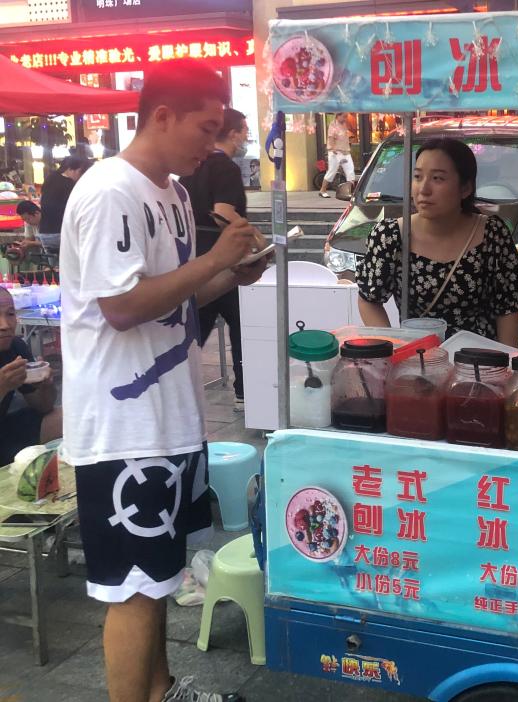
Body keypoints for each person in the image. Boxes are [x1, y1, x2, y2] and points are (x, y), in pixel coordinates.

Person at [60, 58, 267, 702]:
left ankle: (161, 690)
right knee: (132, 588)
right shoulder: (109, 191)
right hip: (123, 426)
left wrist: (231, 274)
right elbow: (121, 307)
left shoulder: (173, 194)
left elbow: (176, 303)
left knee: (157, 579)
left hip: (169, 417)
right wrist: (213, 259)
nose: (213, 144)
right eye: (205, 128)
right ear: (162, 116)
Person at [356, 137, 518, 347]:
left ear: (465, 188)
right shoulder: (390, 236)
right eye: (417, 177)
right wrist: (394, 347)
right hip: (419, 358)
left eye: (437, 178)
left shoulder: (492, 235)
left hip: (480, 360)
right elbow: (369, 300)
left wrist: (508, 359)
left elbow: (507, 310)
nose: (423, 189)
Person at [180, 107, 251, 409]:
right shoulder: (226, 168)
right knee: (242, 326)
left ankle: (177, 386)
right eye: (245, 132)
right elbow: (223, 212)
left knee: (192, 327)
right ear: (232, 134)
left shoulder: (191, 166)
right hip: (223, 258)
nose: (247, 138)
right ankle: (245, 392)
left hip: (194, 257)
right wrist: (253, 239)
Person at [0, 287, 61, 465]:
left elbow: (43, 406)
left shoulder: (16, 347)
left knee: (68, 417)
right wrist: (2, 387)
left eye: (10, 314)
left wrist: (46, 386)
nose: (4, 325)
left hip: (6, 428)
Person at [38, 155, 90, 254]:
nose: (81, 176)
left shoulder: (50, 178)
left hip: (44, 234)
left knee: (55, 263)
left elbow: (42, 201)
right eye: (80, 172)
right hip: (60, 233)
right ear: (70, 169)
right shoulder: (71, 185)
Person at [319, 112, 356, 198]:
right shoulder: (333, 125)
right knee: (332, 171)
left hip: (345, 151)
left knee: (350, 170)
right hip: (335, 152)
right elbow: (330, 137)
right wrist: (333, 148)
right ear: (338, 116)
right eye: (344, 117)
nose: (345, 118)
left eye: (346, 117)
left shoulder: (344, 124)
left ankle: (350, 191)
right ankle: (322, 190)